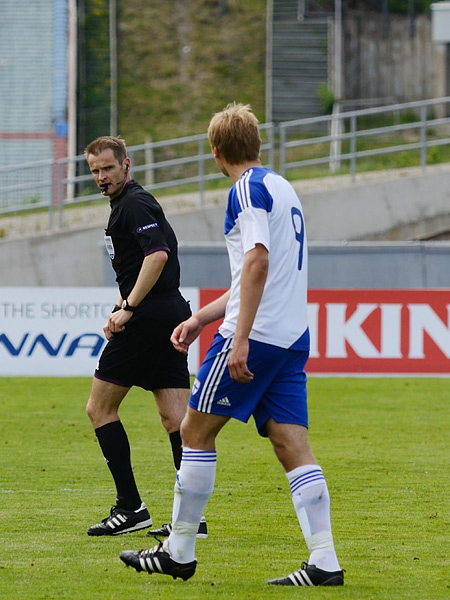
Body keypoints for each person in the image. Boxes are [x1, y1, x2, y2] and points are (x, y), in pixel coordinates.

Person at [120, 104, 343, 585]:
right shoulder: (281, 186)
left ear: (216, 151)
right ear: (257, 144)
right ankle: (324, 560)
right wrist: (201, 316)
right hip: (289, 337)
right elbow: (254, 271)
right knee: (290, 444)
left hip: (255, 336)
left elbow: (257, 261)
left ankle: (178, 550)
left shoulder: (245, 188)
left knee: (194, 432)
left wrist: (237, 338)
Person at [84, 135, 207, 538]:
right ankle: (191, 518)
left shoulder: (134, 203)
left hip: (150, 319)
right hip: (168, 313)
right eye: (95, 171)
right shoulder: (127, 205)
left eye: (108, 168)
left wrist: (131, 308)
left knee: (99, 409)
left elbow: (157, 256)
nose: (102, 177)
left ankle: (130, 507)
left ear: (127, 165)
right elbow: (143, 262)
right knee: (176, 418)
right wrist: (123, 303)